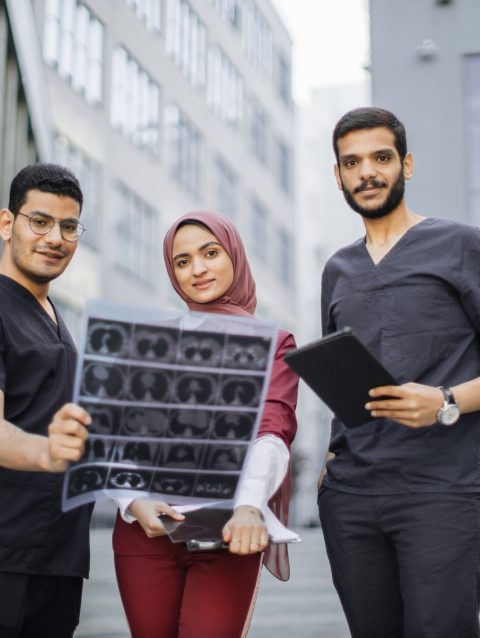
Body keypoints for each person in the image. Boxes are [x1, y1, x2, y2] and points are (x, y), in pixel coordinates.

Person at [319, 106, 480, 638]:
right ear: (339, 175)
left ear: (406, 165)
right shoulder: (338, 269)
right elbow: (342, 374)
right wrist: (328, 466)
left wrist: (447, 401)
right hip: (353, 497)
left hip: (444, 492)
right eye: (352, 162)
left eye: (381, 157)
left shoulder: (459, 246)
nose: (367, 172)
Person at [112, 210, 298, 638]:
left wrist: (250, 506)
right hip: (146, 533)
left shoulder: (274, 343)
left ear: (233, 253)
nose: (197, 270)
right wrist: (134, 502)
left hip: (230, 531)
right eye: (181, 261)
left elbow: (273, 428)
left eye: (210, 253)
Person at [0, 164, 93, 638]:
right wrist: (46, 452)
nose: (55, 237)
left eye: (69, 226)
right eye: (39, 221)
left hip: (60, 553)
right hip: (7, 552)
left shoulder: (54, 315)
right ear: (5, 223)